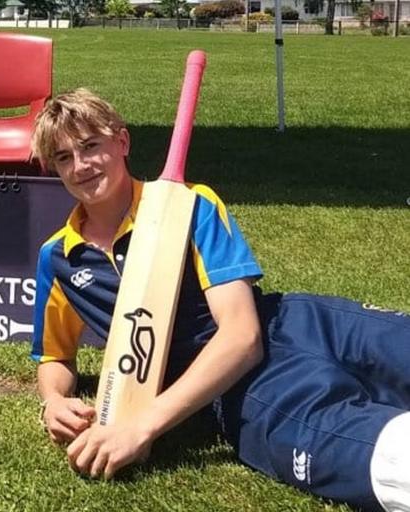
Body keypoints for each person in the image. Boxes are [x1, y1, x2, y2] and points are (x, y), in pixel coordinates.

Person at [29, 88, 410, 512]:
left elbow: (242, 334)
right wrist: (54, 402)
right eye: (63, 157)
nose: (80, 166)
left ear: (122, 142)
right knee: (377, 454)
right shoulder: (58, 258)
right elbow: (54, 358)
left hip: (298, 321)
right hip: (238, 386)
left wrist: (140, 427)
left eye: (90, 146)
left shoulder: (191, 205)